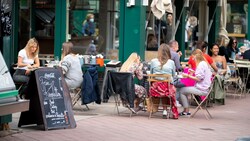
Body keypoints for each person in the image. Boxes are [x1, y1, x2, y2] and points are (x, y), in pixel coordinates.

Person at [149, 43, 178, 119]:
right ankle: (165, 110)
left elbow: (151, 73)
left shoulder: (153, 61)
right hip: (167, 90)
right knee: (168, 87)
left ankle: (154, 108)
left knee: (160, 85)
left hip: (155, 90)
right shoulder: (171, 62)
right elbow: (173, 75)